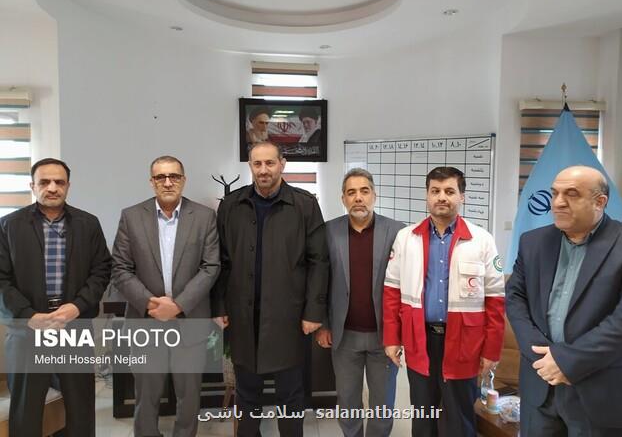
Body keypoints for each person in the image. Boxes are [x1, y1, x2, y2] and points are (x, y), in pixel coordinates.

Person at [506, 165, 622, 437]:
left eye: (572, 194)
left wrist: (565, 361)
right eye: (554, 193)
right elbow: (515, 298)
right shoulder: (533, 242)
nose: (558, 202)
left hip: (600, 390)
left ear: (600, 201)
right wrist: (542, 356)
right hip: (540, 384)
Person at [211, 141, 329, 437]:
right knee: (247, 394)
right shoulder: (231, 205)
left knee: (290, 396)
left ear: (282, 164)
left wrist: (314, 311)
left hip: (289, 319)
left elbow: (318, 261)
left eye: (270, 163)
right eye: (257, 164)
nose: (263, 170)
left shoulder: (304, 204)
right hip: (243, 318)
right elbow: (221, 261)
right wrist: (220, 306)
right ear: (250, 166)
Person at [383, 166, 505, 437]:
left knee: (458, 417)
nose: (442, 197)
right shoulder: (407, 238)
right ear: (427, 195)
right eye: (435, 191)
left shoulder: (482, 240)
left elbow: (496, 301)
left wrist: (492, 350)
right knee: (423, 415)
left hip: (464, 342)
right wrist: (392, 338)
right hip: (420, 339)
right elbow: (391, 292)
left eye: (449, 191)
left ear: (462, 196)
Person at [0, 158, 112, 437]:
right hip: (27, 331)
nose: (52, 187)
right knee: (25, 408)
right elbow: (1, 279)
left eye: (59, 182)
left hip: (73, 327)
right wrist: (29, 315)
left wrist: (77, 307)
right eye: (44, 182)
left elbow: (101, 270)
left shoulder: (88, 224)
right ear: (32, 186)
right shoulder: (8, 225)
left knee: (80, 406)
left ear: (68, 186)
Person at [112, 155, 220, 437]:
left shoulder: (205, 217)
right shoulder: (131, 216)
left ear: (183, 180)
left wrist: (178, 305)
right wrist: (151, 303)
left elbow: (211, 267)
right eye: (161, 177)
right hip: (145, 322)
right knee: (146, 395)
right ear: (152, 182)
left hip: (190, 320)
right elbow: (120, 268)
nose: (168, 182)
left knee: (189, 396)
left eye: (174, 176)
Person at [316, 168, 404, 437]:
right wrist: (323, 324)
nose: (358, 198)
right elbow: (320, 281)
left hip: (384, 337)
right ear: (343, 198)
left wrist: (401, 332)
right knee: (348, 402)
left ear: (374, 195)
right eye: (351, 192)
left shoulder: (397, 231)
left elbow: (407, 285)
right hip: (344, 337)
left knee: (383, 404)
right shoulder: (328, 231)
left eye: (364, 191)